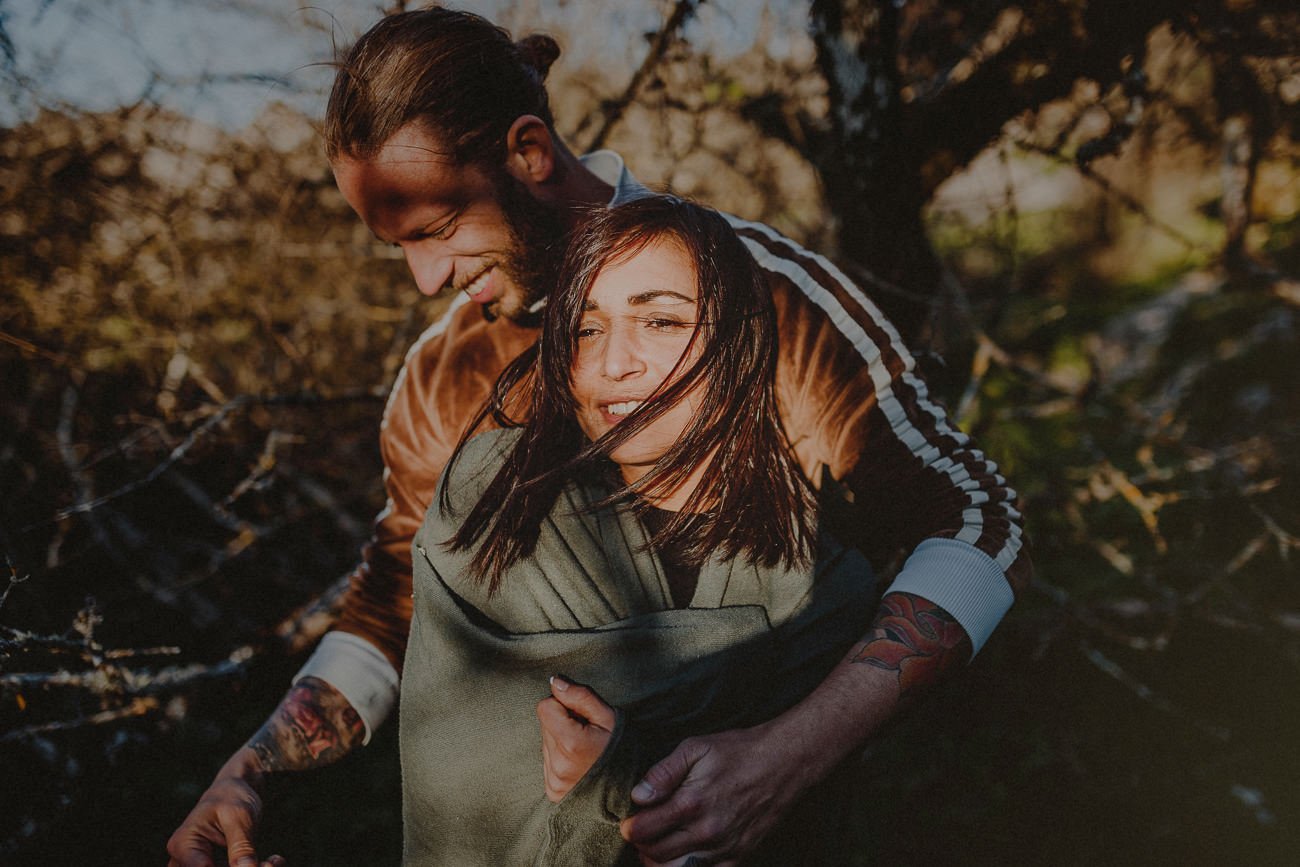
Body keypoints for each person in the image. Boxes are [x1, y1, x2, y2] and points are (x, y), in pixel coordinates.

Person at [166, 7, 1029, 867]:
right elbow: (398, 599)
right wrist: (249, 772)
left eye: (435, 231)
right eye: (397, 246)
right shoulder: (443, 378)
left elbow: (978, 523)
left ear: (529, 152)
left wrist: (787, 756)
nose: (425, 277)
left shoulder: (764, 299)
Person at [406, 195, 879, 865]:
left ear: (735, 339)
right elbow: (459, 760)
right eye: (588, 328)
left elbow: (799, 826)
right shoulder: (496, 501)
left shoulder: (815, 580)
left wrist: (625, 779)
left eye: (659, 320)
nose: (612, 362)